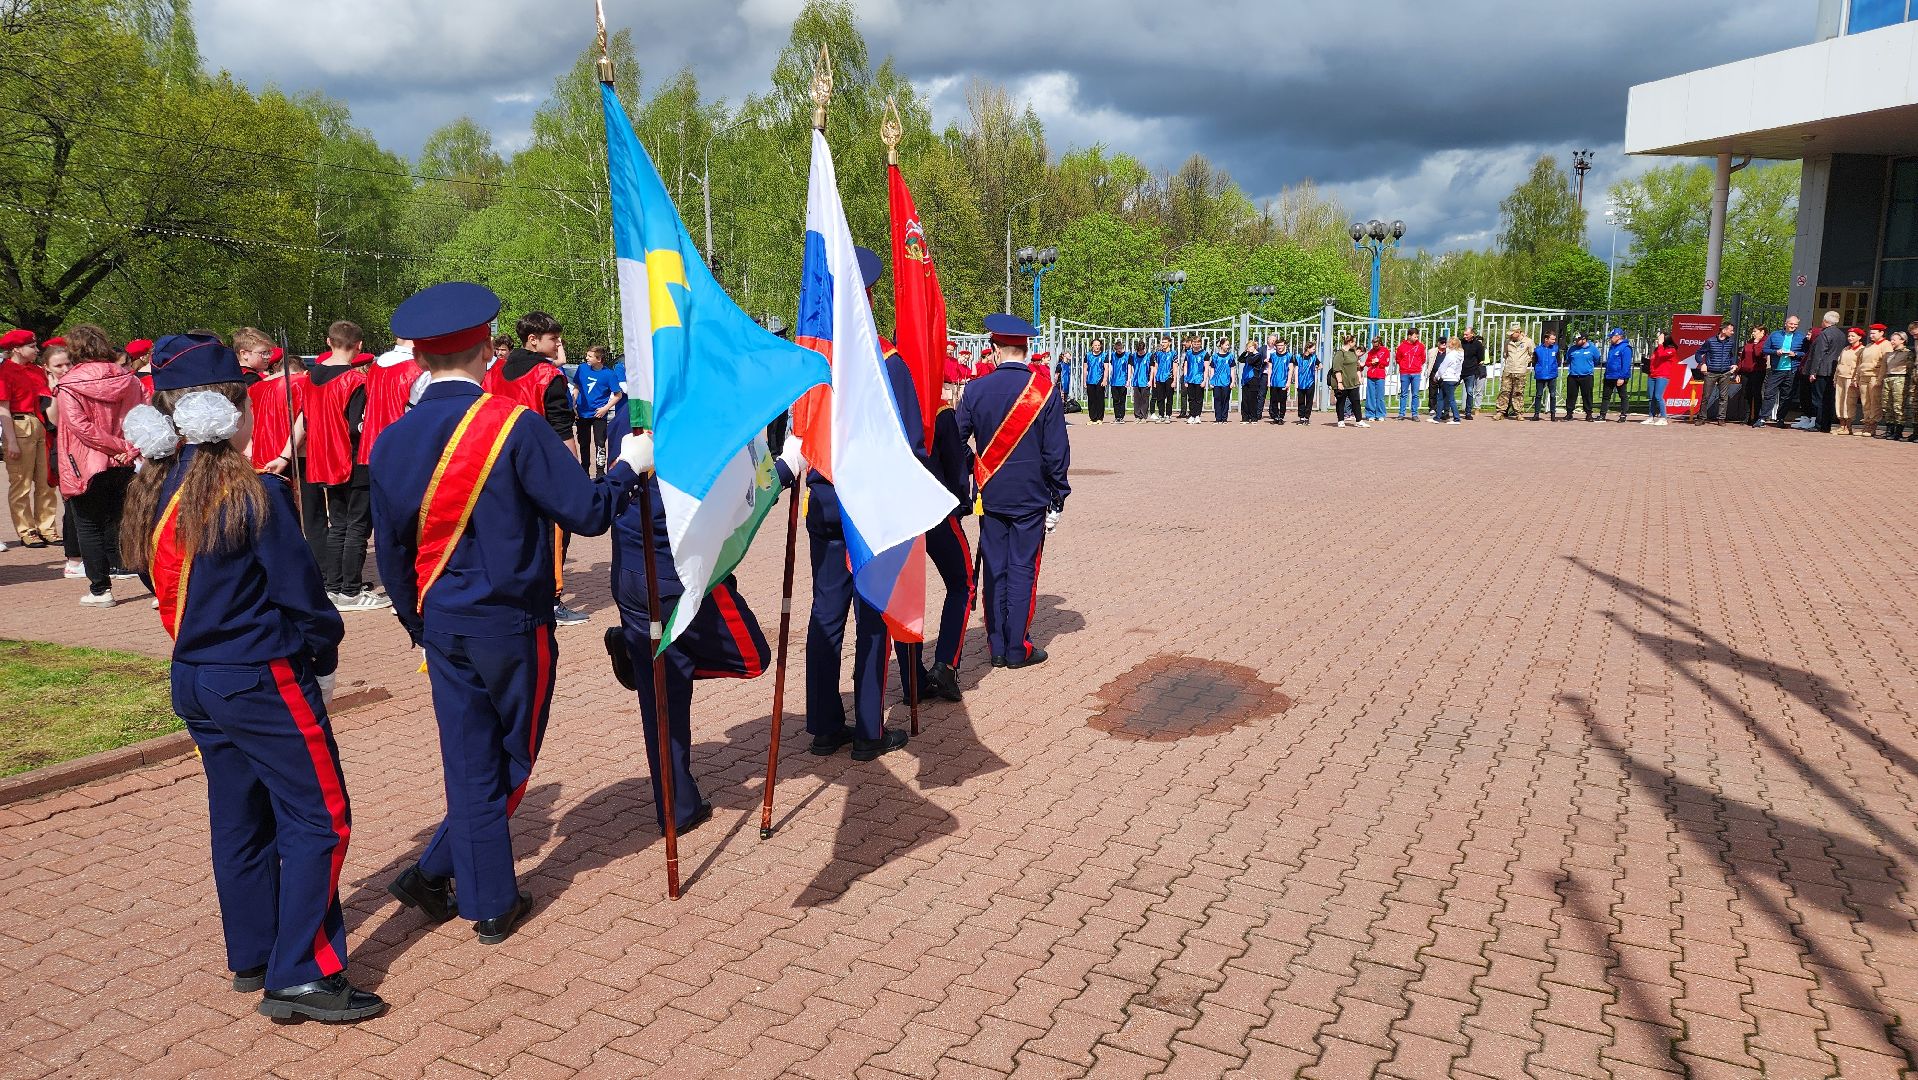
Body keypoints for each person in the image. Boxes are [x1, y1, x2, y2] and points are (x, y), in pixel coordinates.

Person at [372, 282, 650, 946]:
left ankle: (452, 879)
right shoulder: (511, 424)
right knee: (511, 761)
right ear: (485, 351)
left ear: (417, 360)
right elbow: (585, 513)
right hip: (511, 622)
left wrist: (419, 626)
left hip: (440, 619)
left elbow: (391, 551)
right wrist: (627, 467)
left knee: (469, 759)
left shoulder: (392, 440)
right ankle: (480, 896)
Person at [116, 332, 380, 1023]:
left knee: (239, 819)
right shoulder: (254, 493)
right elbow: (304, 601)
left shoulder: (151, 490)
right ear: (227, 411)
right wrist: (322, 658)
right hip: (261, 678)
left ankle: (254, 952)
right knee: (320, 819)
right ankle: (302, 972)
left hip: (196, 677)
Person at [803, 247, 925, 762]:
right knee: (872, 613)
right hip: (867, 506)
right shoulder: (886, 361)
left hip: (823, 499)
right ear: (867, 297)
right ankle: (869, 729)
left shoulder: (813, 357)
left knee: (825, 614)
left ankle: (825, 724)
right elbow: (912, 442)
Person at [956, 314, 1069, 669]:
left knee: (995, 568)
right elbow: (1056, 452)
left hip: (990, 493)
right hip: (1032, 495)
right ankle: (1018, 647)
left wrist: (975, 464)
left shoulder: (975, 389)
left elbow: (955, 439)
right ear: (1026, 348)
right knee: (1023, 569)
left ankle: (997, 646)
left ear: (993, 349)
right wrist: (1058, 494)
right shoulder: (1045, 390)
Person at [485, 312, 587, 625]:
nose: (559, 343)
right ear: (533, 340)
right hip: (542, 465)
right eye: (553, 338)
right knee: (556, 532)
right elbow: (562, 429)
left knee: (515, 532)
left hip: (500, 461)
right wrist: (574, 476)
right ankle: (552, 601)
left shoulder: (495, 371)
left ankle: (519, 596)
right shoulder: (548, 377)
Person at [894, 377, 977, 703]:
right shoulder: (937, 409)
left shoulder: (883, 401)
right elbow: (957, 468)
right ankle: (946, 666)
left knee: (904, 595)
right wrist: (962, 503)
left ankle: (912, 678)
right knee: (963, 582)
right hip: (937, 512)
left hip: (899, 514)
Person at [52, 326, 141, 604]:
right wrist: (128, 447)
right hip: (124, 460)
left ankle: (101, 590)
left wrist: (118, 447)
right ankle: (156, 586)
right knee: (126, 522)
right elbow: (143, 416)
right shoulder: (129, 378)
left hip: (86, 463)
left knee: (88, 525)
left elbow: (80, 427)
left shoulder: (68, 384)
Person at [302, 321, 387, 611]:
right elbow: (358, 426)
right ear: (359, 345)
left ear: (329, 341)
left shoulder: (311, 377)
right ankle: (350, 589)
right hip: (351, 458)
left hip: (323, 457)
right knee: (357, 527)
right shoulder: (355, 380)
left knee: (337, 524)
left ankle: (333, 585)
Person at [1, 329, 60, 547]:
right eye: (31, 346)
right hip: (19, 425)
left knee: (46, 480)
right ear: (16, 349)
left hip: (40, 423)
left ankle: (47, 526)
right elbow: (3, 409)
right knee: (21, 482)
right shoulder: (5, 372)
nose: (36, 350)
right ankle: (26, 529)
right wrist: (11, 441)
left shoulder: (36, 371)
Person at [248, 345, 305, 475]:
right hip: (294, 456)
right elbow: (304, 422)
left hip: (260, 459)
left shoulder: (253, 389)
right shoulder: (302, 382)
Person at [570, 345, 625, 476]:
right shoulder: (582, 368)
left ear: (599, 359)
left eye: (590, 356)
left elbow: (618, 395)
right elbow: (577, 385)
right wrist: (573, 402)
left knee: (600, 443)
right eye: (587, 355)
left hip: (598, 414)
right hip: (582, 413)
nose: (586, 358)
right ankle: (584, 471)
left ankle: (600, 473)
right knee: (583, 443)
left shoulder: (609, 374)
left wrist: (605, 409)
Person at [1803, 310, 1844, 432]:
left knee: (1819, 398)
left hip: (1822, 370)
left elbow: (1819, 354)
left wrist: (1813, 371)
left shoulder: (1824, 334)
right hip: (1833, 369)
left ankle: (1819, 424)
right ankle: (1826, 424)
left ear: (1826, 321)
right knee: (1828, 398)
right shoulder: (1841, 334)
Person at [1764, 316, 1805, 428]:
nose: (1793, 326)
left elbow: (1805, 353)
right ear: (1785, 323)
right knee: (1769, 393)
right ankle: (1763, 417)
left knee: (1786, 396)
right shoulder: (1775, 335)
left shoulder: (1801, 337)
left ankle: (1780, 418)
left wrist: (1795, 354)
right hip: (1776, 369)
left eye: (1796, 324)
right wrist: (1775, 352)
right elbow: (1765, 349)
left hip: (1792, 370)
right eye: (1791, 324)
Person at [1694, 321, 1738, 425]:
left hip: (1725, 373)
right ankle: (1702, 418)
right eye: (1731, 330)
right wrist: (1702, 363)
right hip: (1711, 373)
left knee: (1723, 397)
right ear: (1724, 330)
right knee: (1706, 396)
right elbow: (1698, 353)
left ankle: (1721, 418)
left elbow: (1731, 356)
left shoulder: (1730, 343)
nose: (1732, 332)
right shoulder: (1710, 341)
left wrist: (1733, 364)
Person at [1857, 324, 1892, 437]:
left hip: (1874, 376)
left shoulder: (1885, 345)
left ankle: (1872, 425)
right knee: (1865, 401)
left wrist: (1880, 378)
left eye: (1874, 333)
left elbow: (1884, 364)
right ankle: (1866, 423)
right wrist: (1858, 376)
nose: (1871, 335)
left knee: (1874, 402)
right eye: (1870, 333)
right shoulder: (1868, 346)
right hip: (1864, 376)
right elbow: (1860, 362)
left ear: (1881, 333)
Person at [1834, 326, 1867, 436]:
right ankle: (1841, 425)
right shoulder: (1846, 349)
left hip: (1850, 379)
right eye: (1849, 336)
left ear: (1859, 337)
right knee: (1839, 401)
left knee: (1848, 402)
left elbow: (1859, 366)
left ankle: (1848, 426)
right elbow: (1839, 364)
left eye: (1853, 336)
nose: (1850, 338)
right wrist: (1835, 378)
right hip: (1840, 377)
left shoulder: (1862, 350)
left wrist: (1855, 379)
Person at [1643, 330, 1680, 426]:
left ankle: (1663, 417)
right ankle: (1651, 416)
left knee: (1658, 396)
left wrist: (1660, 344)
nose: (1658, 339)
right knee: (1651, 398)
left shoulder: (1671, 350)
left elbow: (1662, 355)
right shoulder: (1658, 349)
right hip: (1653, 375)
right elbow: (1654, 360)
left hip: (1662, 375)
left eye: (1660, 337)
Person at [1736, 324, 1768, 427]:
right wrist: (1738, 372)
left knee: (1756, 394)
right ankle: (1747, 417)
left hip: (1757, 371)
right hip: (1746, 371)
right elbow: (1742, 358)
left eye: (1755, 331)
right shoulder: (1749, 342)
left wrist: (1756, 343)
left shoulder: (1765, 342)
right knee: (1747, 394)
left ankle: (1757, 417)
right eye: (1753, 332)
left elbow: (1758, 354)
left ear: (1762, 332)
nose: (1753, 333)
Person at [1563, 331, 1599, 421]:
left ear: (1584, 339)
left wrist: (1588, 368)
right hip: (1573, 376)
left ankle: (1588, 414)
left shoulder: (1593, 349)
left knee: (1587, 395)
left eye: (1578, 339)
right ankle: (1569, 413)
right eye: (1575, 339)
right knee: (1571, 396)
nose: (1576, 341)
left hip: (1587, 376)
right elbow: (1568, 359)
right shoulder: (1572, 349)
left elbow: (1596, 360)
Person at [1883, 329, 1912, 441]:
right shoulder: (1890, 353)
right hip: (1888, 378)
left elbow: (1909, 369)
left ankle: (1898, 431)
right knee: (1887, 404)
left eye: (1894, 339)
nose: (1892, 341)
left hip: (1900, 379)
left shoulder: (1908, 353)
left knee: (1898, 405)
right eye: (1891, 339)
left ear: (1902, 340)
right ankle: (1889, 430)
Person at [1330, 335, 1365, 428]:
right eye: (1354, 342)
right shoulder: (1340, 353)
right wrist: (1339, 382)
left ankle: (1359, 420)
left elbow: (1357, 366)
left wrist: (1359, 377)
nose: (1355, 344)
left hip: (1353, 382)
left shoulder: (1353, 352)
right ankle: (1341, 420)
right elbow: (1337, 369)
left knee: (1356, 401)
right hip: (1343, 382)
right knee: (1341, 402)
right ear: (1350, 342)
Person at [1600, 328, 1634, 422]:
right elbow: (1610, 362)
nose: (1610, 339)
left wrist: (1622, 377)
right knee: (1606, 396)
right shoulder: (1612, 347)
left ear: (1618, 337)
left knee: (1623, 396)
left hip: (1619, 376)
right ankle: (1602, 414)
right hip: (1610, 375)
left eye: (1612, 337)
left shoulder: (1625, 348)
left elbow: (1626, 364)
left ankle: (1623, 415)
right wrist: (1606, 375)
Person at [1431, 336, 1465, 424]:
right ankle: (1437, 417)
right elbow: (1459, 368)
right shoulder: (1460, 354)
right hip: (1454, 378)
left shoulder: (1450, 355)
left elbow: (1443, 367)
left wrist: (1437, 376)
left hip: (1448, 378)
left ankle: (1456, 418)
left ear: (1452, 344)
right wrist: (1457, 377)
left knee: (1450, 399)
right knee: (1441, 398)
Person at [1393, 330, 1426, 420]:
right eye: (1415, 336)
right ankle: (1401, 413)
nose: (1416, 338)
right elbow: (1398, 358)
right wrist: (1404, 366)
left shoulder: (1420, 346)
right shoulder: (1401, 347)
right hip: (1405, 372)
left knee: (1415, 394)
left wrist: (1417, 365)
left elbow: (1423, 358)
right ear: (1409, 336)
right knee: (1403, 394)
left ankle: (1414, 414)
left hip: (1416, 372)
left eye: (1417, 336)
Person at [1529, 332, 1561, 421]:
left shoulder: (1556, 348)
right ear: (1546, 339)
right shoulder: (1538, 349)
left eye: (1554, 339)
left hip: (1552, 375)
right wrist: (1538, 369)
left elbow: (1558, 361)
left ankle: (1553, 414)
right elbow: (1534, 361)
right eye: (1552, 339)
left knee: (1553, 395)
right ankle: (1536, 414)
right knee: (1539, 394)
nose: (1554, 341)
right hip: (1540, 375)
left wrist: (1554, 368)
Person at [1236, 338, 1265, 423]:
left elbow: (1250, 361)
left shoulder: (1258, 356)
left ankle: (1254, 417)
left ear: (1254, 347)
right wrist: (1245, 352)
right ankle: (1245, 417)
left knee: (1252, 398)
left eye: (1250, 346)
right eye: (1248, 347)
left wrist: (1250, 353)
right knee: (1245, 399)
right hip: (1245, 379)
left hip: (1254, 379)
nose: (1249, 348)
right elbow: (1240, 359)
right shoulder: (1249, 354)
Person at [1459, 329, 1486, 420]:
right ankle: (1445, 411)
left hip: (1470, 371)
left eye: (1466, 334)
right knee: (1449, 389)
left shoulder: (1478, 345)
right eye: (1464, 334)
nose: (1464, 336)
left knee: (1470, 392)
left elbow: (1480, 358)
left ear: (1472, 334)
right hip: (1458, 371)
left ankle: (1468, 412)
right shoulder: (1460, 342)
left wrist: (1472, 365)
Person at [1362, 338, 1390, 422]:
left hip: (1380, 375)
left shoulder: (1385, 350)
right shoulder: (1371, 352)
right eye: (1373, 344)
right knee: (1370, 396)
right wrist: (1371, 363)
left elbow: (1386, 363)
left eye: (1376, 344)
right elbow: (1367, 363)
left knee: (1380, 396)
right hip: (1371, 375)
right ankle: (1370, 414)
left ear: (1380, 343)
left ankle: (1380, 414)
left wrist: (1379, 361)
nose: (1375, 346)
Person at [1207, 336, 1234, 422]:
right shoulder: (1215, 356)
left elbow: (1232, 369)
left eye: (1228, 345)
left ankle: (1224, 418)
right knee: (1217, 400)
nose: (1228, 346)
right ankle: (1218, 418)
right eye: (1226, 345)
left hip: (1226, 381)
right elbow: (1212, 369)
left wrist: (1233, 381)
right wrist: (1211, 380)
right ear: (1221, 345)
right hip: (1217, 381)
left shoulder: (1230, 356)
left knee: (1225, 400)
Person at [1293, 339, 1320, 424]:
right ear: (1307, 348)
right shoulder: (1298, 357)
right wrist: (1296, 381)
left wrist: (1316, 368)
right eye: (1313, 348)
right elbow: (1295, 369)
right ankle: (1301, 417)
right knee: (1301, 400)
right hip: (1301, 382)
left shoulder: (1314, 357)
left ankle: (1307, 417)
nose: (1314, 350)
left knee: (1309, 400)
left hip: (1310, 382)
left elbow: (1320, 365)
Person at [1084, 337, 1109, 424]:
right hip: (1090, 379)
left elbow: (1106, 368)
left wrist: (1105, 379)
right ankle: (1092, 418)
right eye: (1095, 345)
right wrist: (1084, 381)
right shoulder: (1088, 355)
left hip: (1100, 379)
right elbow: (1085, 368)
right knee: (1091, 399)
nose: (1097, 347)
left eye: (1098, 345)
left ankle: (1099, 418)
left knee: (1100, 399)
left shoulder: (1104, 355)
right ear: (1092, 346)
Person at [1266, 336, 1291, 423]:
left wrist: (1288, 382)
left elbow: (1290, 370)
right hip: (1274, 381)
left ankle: (1281, 416)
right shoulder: (1273, 355)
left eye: (1281, 345)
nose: (1279, 347)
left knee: (1282, 401)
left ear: (1284, 345)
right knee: (1273, 400)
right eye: (1278, 345)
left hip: (1283, 382)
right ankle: (1275, 416)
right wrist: (1269, 381)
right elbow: (1270, 368)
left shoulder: (1289, 356)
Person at [1151, 336, 1176, 422]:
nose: (1163, 344)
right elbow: (1155, 366)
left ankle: (1168, 415)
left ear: (1169, 343)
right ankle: (1161, 415)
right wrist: (1154, 379)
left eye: (1165, 342)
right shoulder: (1158, 354)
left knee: (1169, 398)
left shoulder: (1173, 353)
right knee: (1160, 398)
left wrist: (1174, 380)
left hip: (1169, 378)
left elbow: (1175, 367)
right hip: (1159, 378)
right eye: (1162, 342)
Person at [1129, 336, 1152, 424]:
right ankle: (1137, 416)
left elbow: (1152, 368)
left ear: (1144, 349)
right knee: (1137, 399)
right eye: (1139, 351)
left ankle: (1144, 416)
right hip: (1136, 380)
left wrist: (1150, 380)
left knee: (1145, 399)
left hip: (1145, 380)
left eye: (1142, 351)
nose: (1140, 353)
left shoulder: (1149, 356)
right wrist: (1130, 377)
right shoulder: (1133, 356)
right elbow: (1130, 367)